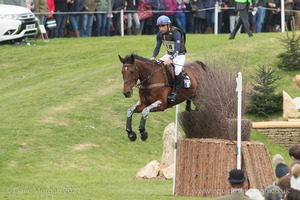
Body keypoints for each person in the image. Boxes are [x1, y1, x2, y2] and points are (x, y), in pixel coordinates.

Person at [150, 15, 186, 103]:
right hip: (168, 54)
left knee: (177, 70)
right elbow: (157, 47)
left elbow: (177, 49)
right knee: (157, 65)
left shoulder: (176, 33)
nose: (161, 28)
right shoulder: (159, 34)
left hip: (179, 55)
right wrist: (153, 57)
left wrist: (170, 59)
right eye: (159, 26)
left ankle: (175, 92)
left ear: (168, 25)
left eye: (163, 26)